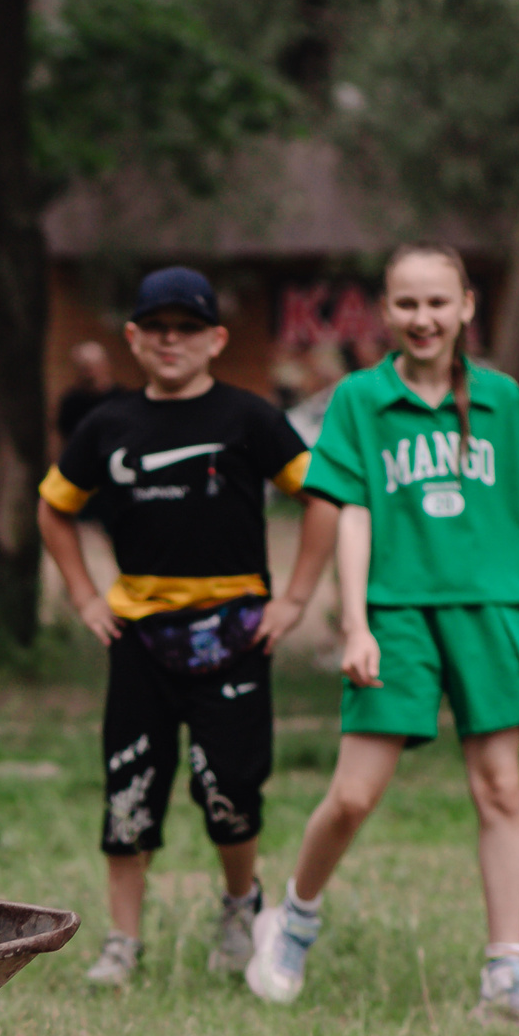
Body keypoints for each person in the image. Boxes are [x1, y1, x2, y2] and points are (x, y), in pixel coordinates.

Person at [242, 243, 519, 1030]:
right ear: (385, 312)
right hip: (397, 612)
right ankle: (293, 919)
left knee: (500, 787)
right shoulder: (360, 400)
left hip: (491, 608)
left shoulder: (500, 399)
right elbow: (351, 513)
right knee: (356, 793)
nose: (422, 318)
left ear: (467, 306)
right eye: (406, 303)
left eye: (438, 302)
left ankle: (506, 973)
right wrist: (356, 622)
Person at [37, 267, 338, 988]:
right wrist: (84, 596)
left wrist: (293, 600)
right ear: (134, 339)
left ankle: (240, 908)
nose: (172, 342)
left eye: (189, 329)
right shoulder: (106, 424)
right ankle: (122, 941)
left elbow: (324, 496)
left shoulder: (250, 417)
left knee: (230, 787)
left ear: (216, 339)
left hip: (236, 635)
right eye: (158, 329)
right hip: (139, 638)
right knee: (129, 785)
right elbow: (54, 507)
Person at [54, 340, 119, 455]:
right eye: (84, 367)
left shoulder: (121, 399)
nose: (89, 373)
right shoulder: (71, 402)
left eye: (92, 366)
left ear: (105, 365)